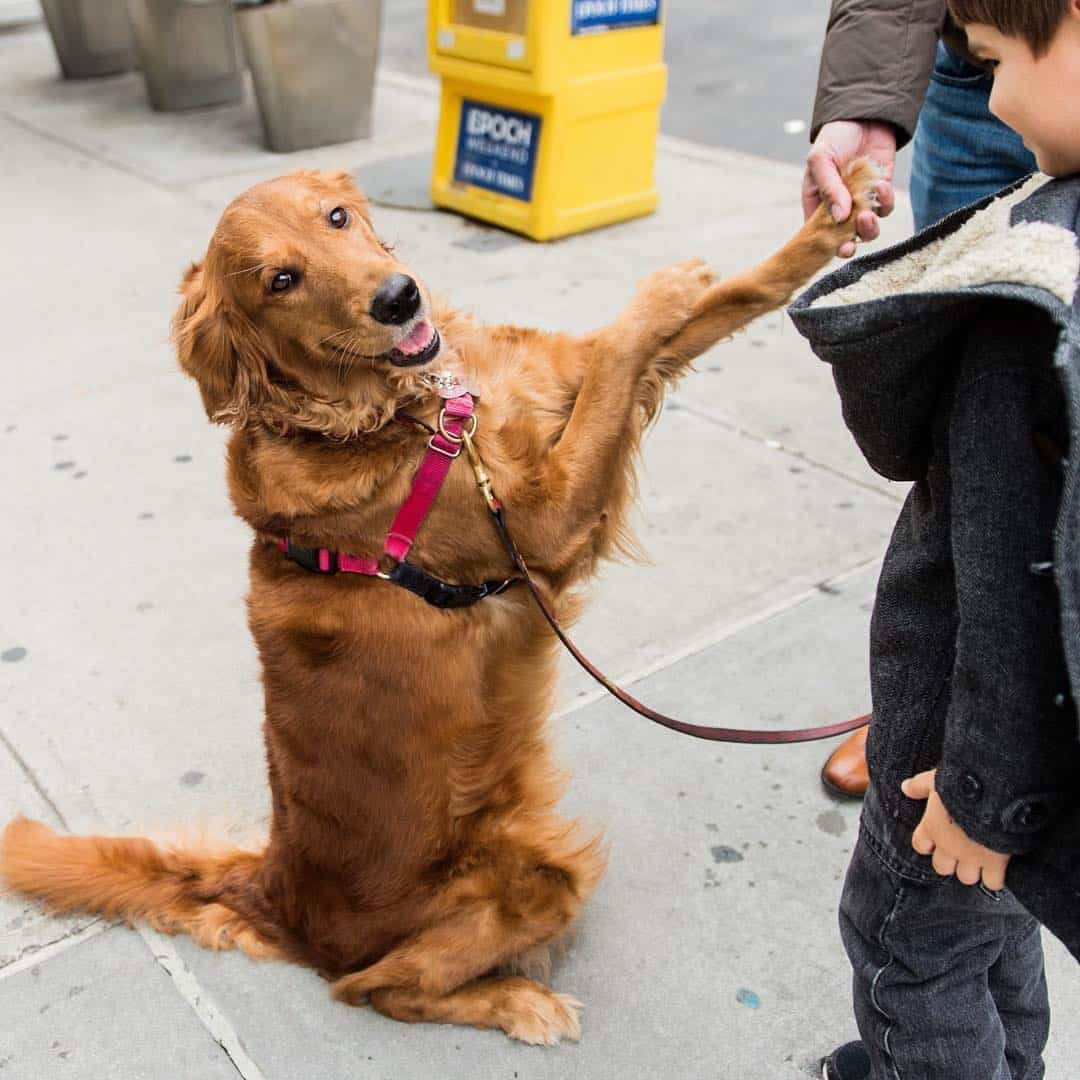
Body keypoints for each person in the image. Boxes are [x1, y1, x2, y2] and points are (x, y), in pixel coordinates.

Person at [788, 2, 1080, 1077]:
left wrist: (985, 792)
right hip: (1031, 767)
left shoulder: (1027, 312)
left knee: (906, 948)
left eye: (997, 62)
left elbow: (1013, 580)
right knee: (996, 928)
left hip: (955, 762)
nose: (991, 99)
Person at [804, 0, 1038, 799]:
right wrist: (870, 104)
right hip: (982, 63)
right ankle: (929, 713)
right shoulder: (994, 91)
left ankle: (1012, 739)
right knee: (964, 445)